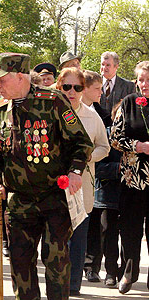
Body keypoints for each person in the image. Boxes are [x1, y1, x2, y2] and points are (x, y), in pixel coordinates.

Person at [0, 52, 93, 300]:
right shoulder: (1, 109)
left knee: (56, 263)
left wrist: (75, 171)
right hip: (19, 201)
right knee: (21, 263)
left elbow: (81, 142)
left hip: (53, 197)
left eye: (3, 80)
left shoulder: (53, 101)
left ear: (21, 76)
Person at [56, 67, 110, 296]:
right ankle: (57, 283)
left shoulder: (91, 115)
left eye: (77, 87)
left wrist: (86, 157)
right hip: (53, 186)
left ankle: (74, 285)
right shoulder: (49, 112)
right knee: (56, 240)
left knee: (78, 240)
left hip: (82, 187)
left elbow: (104, 147)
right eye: (66, 87)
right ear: (59, 87)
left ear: (83, 89)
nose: (72, 92)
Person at [110, 60, 149, 294]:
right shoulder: (129, 103)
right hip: (133, 179)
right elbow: (115, 137)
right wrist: (138, 146)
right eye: (141, 80)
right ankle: (129, 273)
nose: (144, 84)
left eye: (148, 80)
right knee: (130, 229)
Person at [85, 99, 123, 287]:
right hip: (106, 194)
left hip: (129, 195)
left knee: (124, 236)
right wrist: (120, 169)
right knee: (104, 233)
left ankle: (120, 271)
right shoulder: (107, 136)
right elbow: (98, 167)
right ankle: (103, 270)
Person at [99, 51, 135, 123]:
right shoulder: (92, 84)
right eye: (102, 64)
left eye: (108, 65)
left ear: (116, 66)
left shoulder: (128, 86)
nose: (104, 68)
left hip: (119, 129)